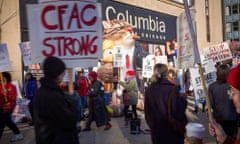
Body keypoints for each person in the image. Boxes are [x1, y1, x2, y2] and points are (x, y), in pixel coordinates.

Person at [33, 56, 79, 144]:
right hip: (58, 139)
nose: (63, 76)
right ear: (58, 74)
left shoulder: (41, 92)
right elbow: (70, 120)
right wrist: (73, 101)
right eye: (63, 73)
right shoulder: (53, 95)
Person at [144, 63, 187, 144]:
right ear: (167, 74)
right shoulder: (172, 89)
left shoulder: (149, 90)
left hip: (156, 131)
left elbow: (147, 112)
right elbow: (178, 111)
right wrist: (183, 99)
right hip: (171, 131)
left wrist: (152, 126)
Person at [209, 64, 240, 144]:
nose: (231, 97)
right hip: (232, 118)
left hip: (219, 119)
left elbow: (211, 104)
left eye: (233, 93)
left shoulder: (212, 87)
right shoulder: (231, 86)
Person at [0, 72, 23, 142]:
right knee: (7, 121)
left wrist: (6, 94)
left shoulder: (11, 86)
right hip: (0, 107)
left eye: (3, 77)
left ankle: (18, 134)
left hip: (7, 108)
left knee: (1, 123)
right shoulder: (1, 86)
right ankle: (18, 134)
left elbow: (13, 97)